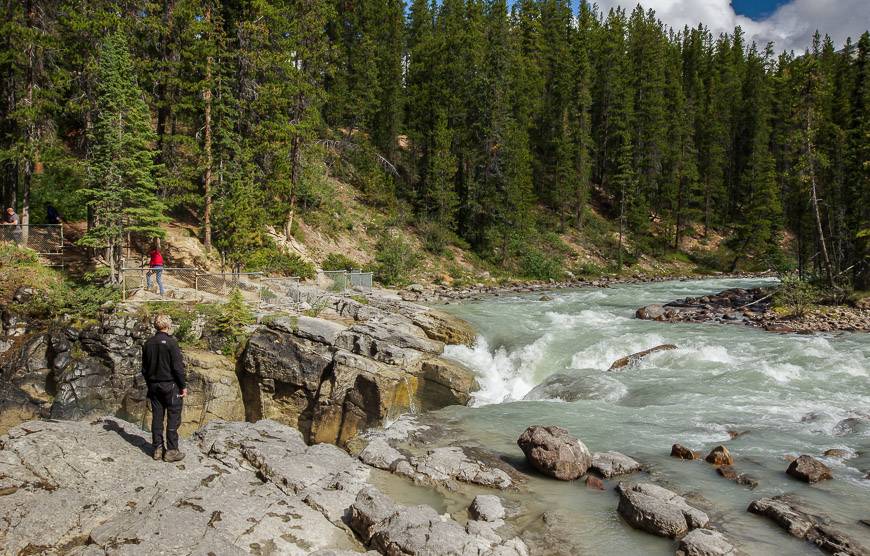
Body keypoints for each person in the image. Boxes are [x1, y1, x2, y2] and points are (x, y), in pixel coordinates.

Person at [141, 314, 187, 462]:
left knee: (157, 417)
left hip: (154, 386)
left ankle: (158, 449)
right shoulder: (171, 343)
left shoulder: (148, 343)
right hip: (170, 385)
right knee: (173, 417)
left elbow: (144, 369)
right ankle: (172, 451)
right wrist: (183, 386)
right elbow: (178, 368)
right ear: (168, 326)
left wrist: (150, 383)